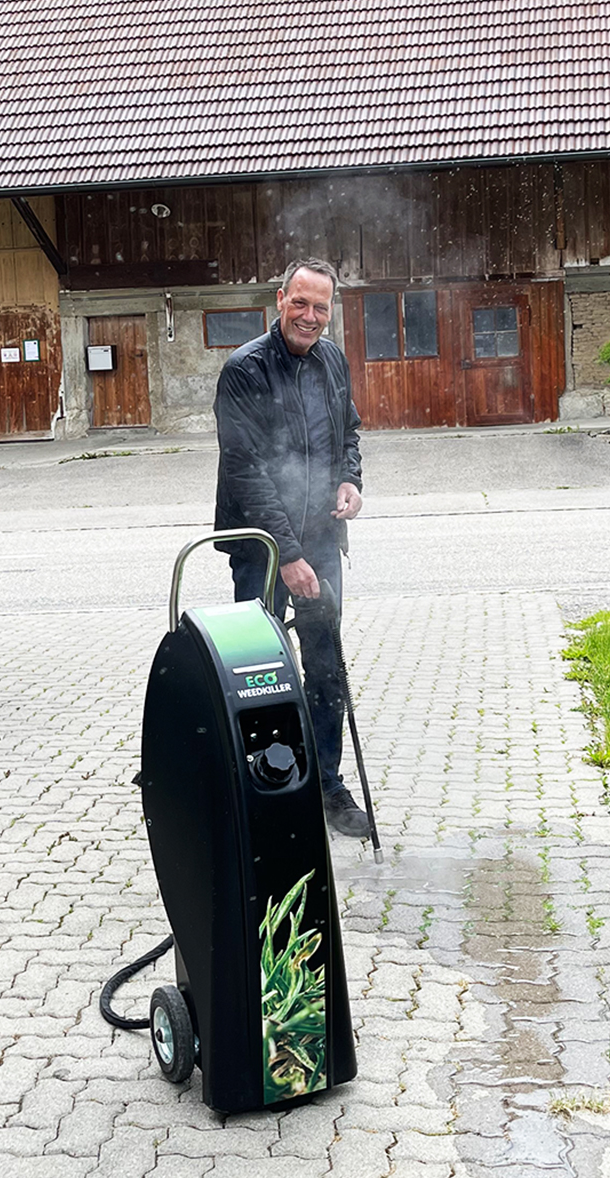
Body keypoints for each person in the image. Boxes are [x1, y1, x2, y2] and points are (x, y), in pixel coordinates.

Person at [213, 258, 369, 838]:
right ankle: (265, 787)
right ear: (280, 300)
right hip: (262, 550)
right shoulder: (245, 371)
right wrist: (288, 555)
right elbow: (248, 472)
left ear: (331, 310)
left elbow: (348, 432)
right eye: (299, 303)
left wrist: (350, 481)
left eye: (320, 307)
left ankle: (326, 785)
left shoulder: (331, 360)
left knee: (326, 669)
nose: (309, 316)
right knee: (258, 675)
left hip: (323, 541)